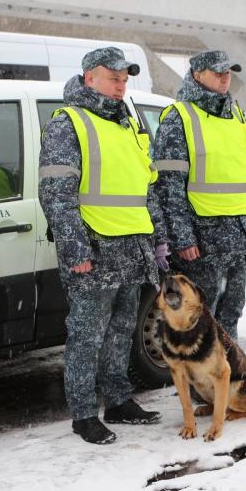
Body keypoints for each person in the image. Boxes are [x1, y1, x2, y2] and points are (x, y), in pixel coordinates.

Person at [38, 47, 169, 445]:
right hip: (95, 251)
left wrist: (158, 238)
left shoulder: (128, 125)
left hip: (132, 247)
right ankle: (82, 415)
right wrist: (75, 251)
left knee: (121, 331)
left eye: (124, 80)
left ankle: (117, 401)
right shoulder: (69, 123)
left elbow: (146, 188)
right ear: (89, 77)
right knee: (86, 335)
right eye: (113, 78)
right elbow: (56, 194)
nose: (120, 86)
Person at [153, 50, 246, 341]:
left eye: (228, 72)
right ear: (196, 75)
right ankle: (198, 381)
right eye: (218, 72)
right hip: (204, 240)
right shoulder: (179, 118)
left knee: (232, 310)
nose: (225, 77)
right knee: (199, 318)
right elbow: (169, 187)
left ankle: (224, 374)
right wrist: (183, 238)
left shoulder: (236, 113)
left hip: (240, 233)